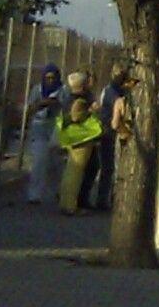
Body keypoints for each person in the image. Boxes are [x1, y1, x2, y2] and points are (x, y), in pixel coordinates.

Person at [85, 68, 131, 212]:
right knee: (108, 167)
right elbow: (116, 119)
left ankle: (104, 198)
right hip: (108, 132)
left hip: (107, 130)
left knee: (106, 167)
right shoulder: (114, 93)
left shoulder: (111, 90)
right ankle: (103, 199)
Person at [22, 64, 66, 206]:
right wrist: (41, 104)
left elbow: (67, 107)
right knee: (39, 161)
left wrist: (56, 103)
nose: (50, 81)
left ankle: (60, 191)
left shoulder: (62, 90)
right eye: (47, 78)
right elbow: (30, 108)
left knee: (56, 163)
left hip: (55, 126)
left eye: (53, 78)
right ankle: (34, 194)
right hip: (39, 126)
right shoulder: (37, 89)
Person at [56, 91, 101, 216]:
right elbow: (76, 117)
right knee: (76, 173)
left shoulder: (67, 99)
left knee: (70, 171)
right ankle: (70, 205)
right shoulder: (79, 101)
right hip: (81, 139)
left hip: (72, 138)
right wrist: (92, 111)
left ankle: (65, 202)